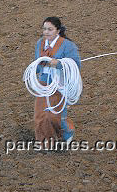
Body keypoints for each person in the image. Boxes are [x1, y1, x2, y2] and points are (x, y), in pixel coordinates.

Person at [33, 16, 81, 145]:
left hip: (59, 84)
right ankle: (45, 142)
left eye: (50, 29)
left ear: (58, 31)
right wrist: (36, 68)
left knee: (53, 116)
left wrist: (58, 63)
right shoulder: (40, 43)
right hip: (43, 83)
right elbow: (37, 64)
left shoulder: (68, 46)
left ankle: (66, 131)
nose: (46, 32)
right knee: (40, 116)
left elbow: (76, 65)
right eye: (44, 29)